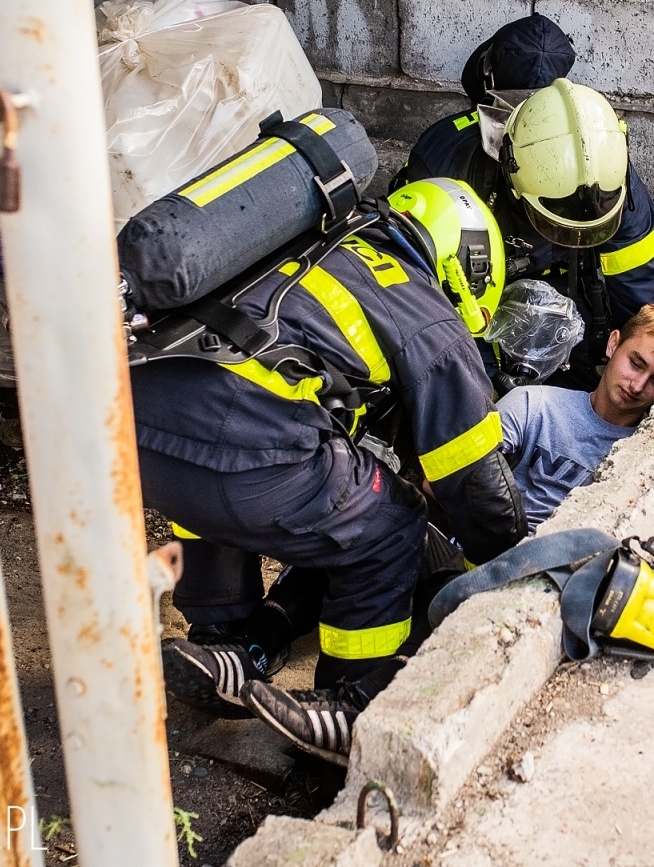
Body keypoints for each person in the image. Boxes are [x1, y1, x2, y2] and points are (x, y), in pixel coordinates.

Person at [133, 177, 526, 765]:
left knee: (226, 481)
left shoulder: (317, 245)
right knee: (390, 524)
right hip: (246, 446)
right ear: (467, 270)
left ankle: (228, 642)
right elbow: (475, 481)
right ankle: (348, 703)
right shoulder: (426, 310)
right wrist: (505, 569)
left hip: (137, 432)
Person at [390, 15, 654, 390]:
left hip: (571, 322)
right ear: (512, 163)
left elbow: (639, 286)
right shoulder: (448, 160)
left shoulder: (600, 159)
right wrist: (488, 384)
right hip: (470, 324)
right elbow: (419, 305)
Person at [499, 303, 654, 530]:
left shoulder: (652, 454)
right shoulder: (532, 406)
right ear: (613, 344)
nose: (637, 386)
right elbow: (466, 482)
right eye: (635, 363)